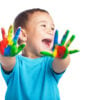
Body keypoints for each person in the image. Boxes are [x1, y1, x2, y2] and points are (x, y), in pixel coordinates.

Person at [0, 8, 70, 100]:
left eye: (52, 28)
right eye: (43, 25)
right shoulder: (15, 62)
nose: (50, 31)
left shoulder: (50, 62)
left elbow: (61, 65)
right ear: (23, 35)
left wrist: (62, 57)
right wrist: (6, 54)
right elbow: (7, 62)